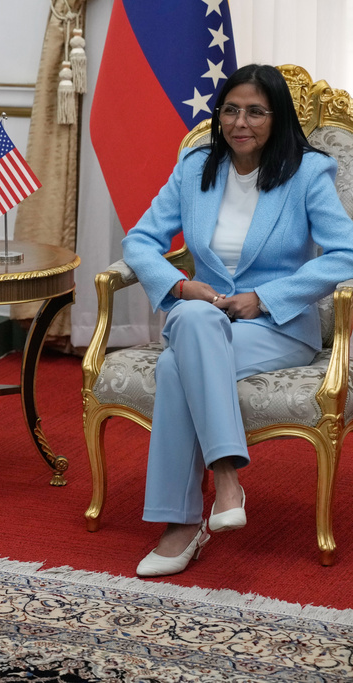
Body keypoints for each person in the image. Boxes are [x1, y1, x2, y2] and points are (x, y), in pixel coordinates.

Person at [122, 64, 353, 577]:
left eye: (255, 111)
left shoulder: (306, 173)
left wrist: (264, 298)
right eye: (230, 109)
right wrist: (179, 286)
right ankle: (227, 480)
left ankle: (180, 525)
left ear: (276, 117)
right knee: (195, 319)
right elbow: (139, 241)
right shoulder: (194, 166)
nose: (239, 122)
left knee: (174, 368)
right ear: (218, 115)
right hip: (202, 319)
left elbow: (346, 253)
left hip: (276, 328)